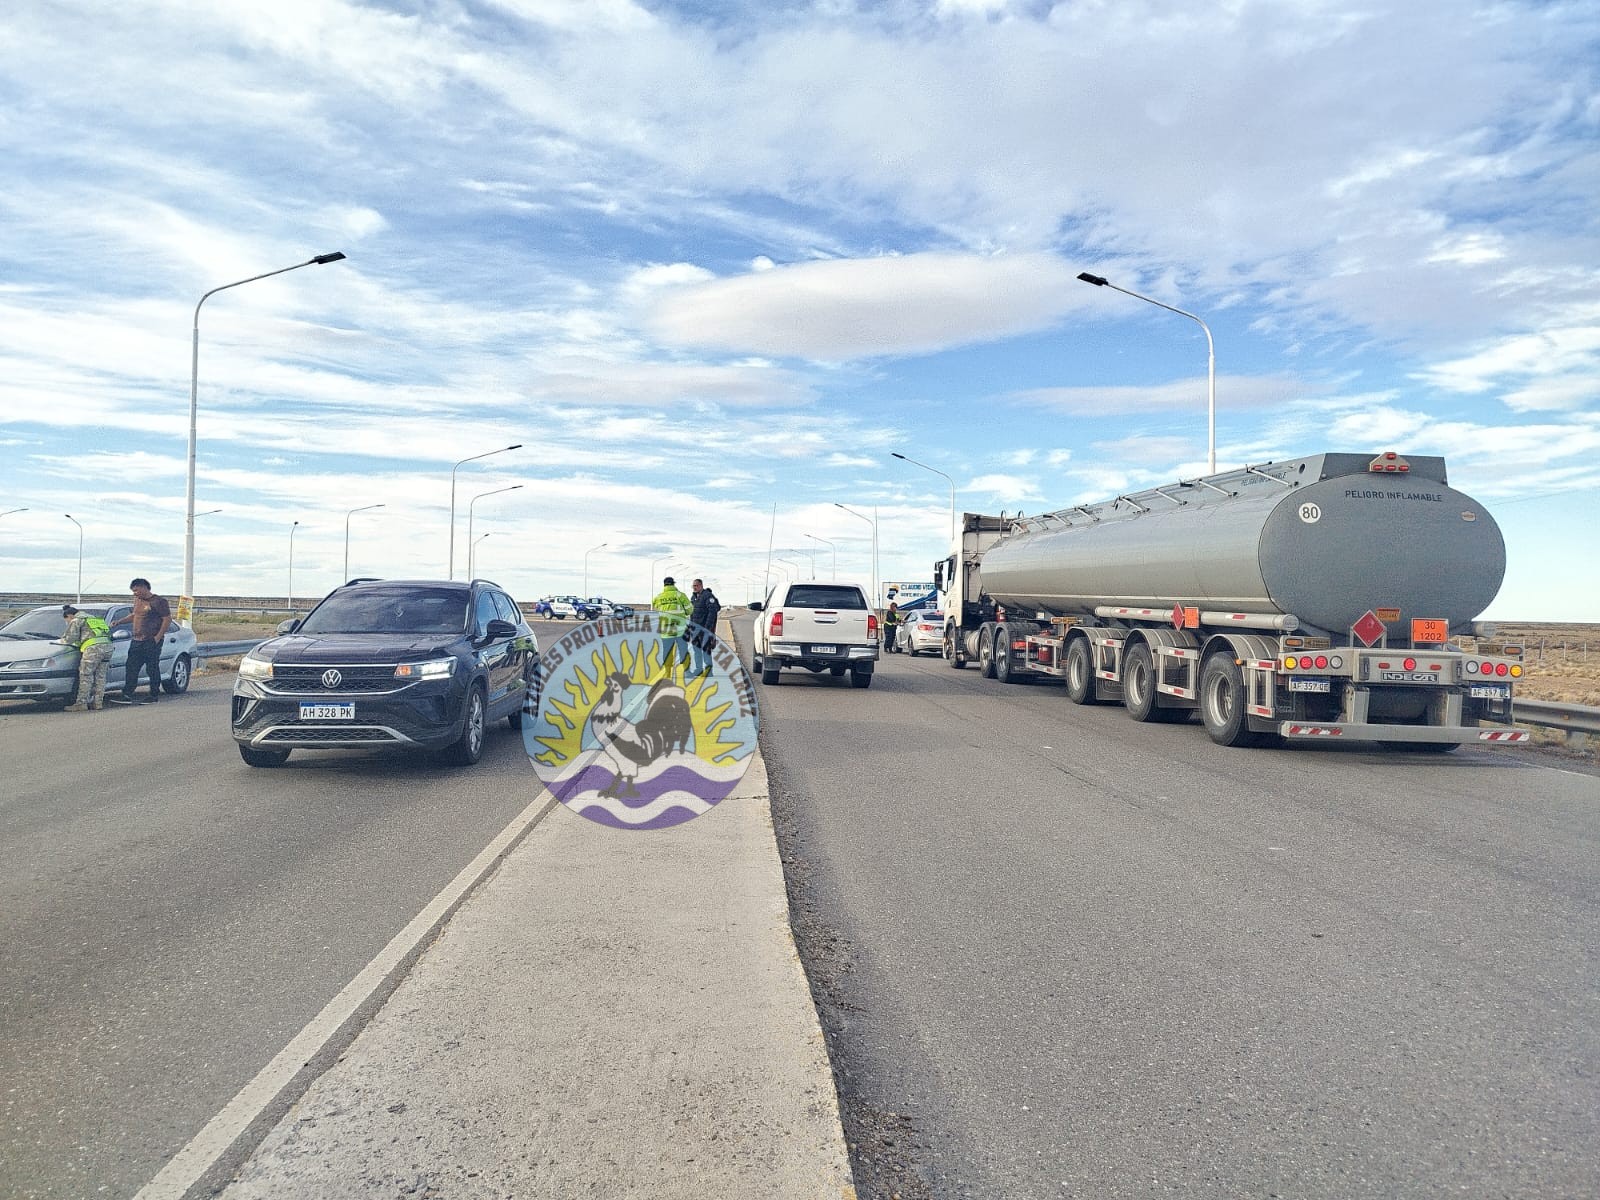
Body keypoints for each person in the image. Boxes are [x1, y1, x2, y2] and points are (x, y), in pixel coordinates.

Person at [108, 577, 171, 704]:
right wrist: (119, 622)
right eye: (133, 591)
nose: (135, 593)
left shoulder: (159, 601)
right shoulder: (137, 600)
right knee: (131, 666)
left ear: (144, 587)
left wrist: (158, 637)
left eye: (136, 590)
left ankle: (153, 695)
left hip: (151, 640)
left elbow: (167, 619)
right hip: (136, 640)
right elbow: (134, 615)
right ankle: (127, 693)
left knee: (152, 668)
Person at [57, 604, 112, 711]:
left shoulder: (77, 620)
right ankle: (98, 703)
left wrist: (60, 641)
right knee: (100, 677)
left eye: (67, 620)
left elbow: (70, 638)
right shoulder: (94, 619)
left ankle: (81, 703)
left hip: (93, 649)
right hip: (107, 648)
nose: (67, 622)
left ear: (69, 615)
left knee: (86, 675)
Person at [652, 575, 693, 677]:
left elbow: (655, 608)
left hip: (666, 630)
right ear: (673, 584)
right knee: (683, 649)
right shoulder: (680, 595)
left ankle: (667, 672)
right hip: (680, 629)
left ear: (664, 585)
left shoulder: (658, 597)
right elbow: (690, 610)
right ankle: (687, 671)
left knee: (667, 651)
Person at [687, 578, 722, 678]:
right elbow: (692, 614)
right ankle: (698, 669)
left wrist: (707, 627)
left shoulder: (707, 596)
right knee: (696, 650)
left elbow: (713, 612)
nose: (694, 588)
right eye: (693, 586)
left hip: (704, 629)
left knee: (706, 650)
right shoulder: (693, 597)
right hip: (695, 629)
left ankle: (708, 671)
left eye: (696, 586)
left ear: (701, 585)